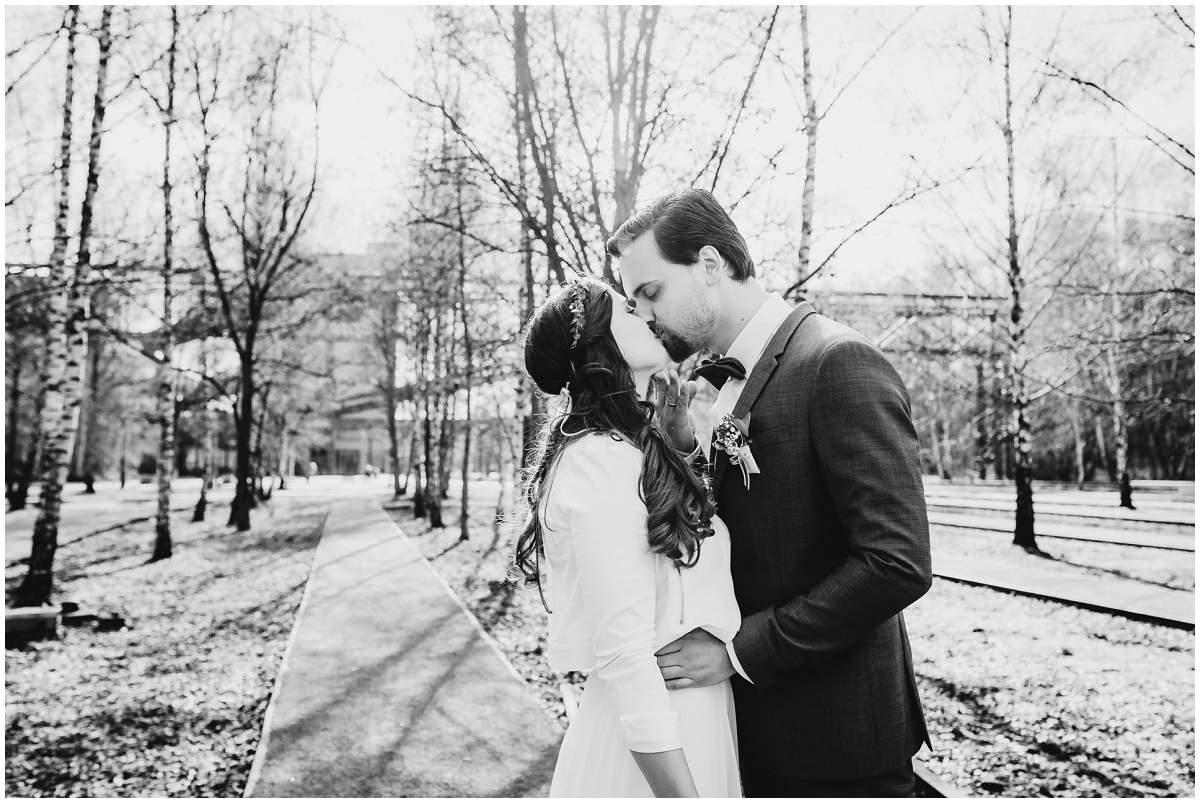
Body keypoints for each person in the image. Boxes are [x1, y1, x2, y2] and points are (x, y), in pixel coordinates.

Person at [609, 188, 933, 797]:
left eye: (651, 292)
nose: (646, 315)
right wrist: (684, 455)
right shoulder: (714, 381)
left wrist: (738, 652)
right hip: (751, 732)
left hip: (835, 744)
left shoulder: (837, 362)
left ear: (710, 265)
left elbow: (897, 563)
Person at [514, 277, 742, 797]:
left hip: (694, 723)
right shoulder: (600, 461)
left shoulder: (631, 450)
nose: (641, 309)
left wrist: (680, 449)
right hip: (654, 753)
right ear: (600, 342)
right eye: (625, 308)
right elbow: (624, 652)